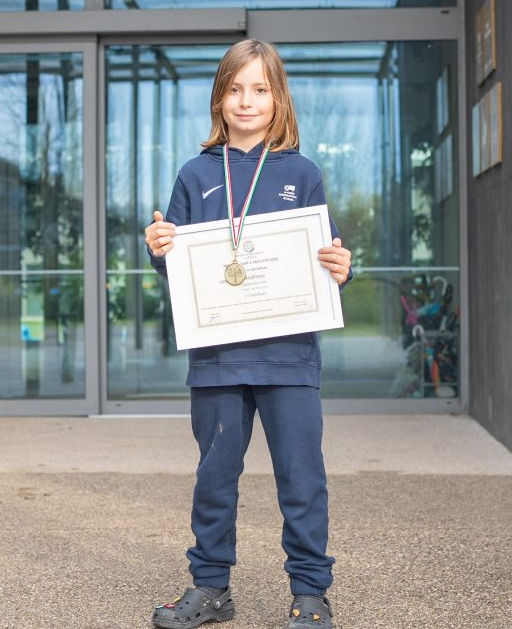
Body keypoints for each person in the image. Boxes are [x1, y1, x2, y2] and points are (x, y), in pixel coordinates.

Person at [144, 39, 352, 629]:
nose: (246, 100)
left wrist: (343, 267)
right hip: (217, 360)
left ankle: (310, 595)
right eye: (235, 88)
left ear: (277, 98)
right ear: (220, 97)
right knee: (214, 480)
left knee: (302, 480)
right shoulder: (195, 174)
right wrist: (160, 250)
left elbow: (326, 259)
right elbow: (177, 267)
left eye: (259, 89)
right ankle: (211, 589)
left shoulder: (302, 174)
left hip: (289, 359)